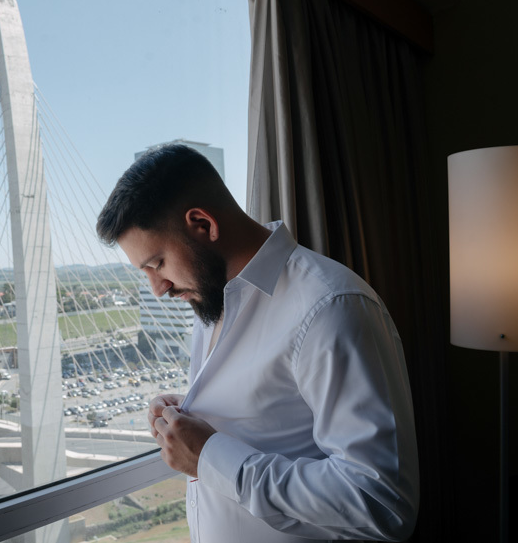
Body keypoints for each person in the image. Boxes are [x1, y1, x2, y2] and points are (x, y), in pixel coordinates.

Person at [96, 144, 419, 542]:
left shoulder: (330, 309)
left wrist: (211, 457)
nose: (158, 289)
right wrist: (191, 411)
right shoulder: (212, 297)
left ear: (202, 224)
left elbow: (381, 501)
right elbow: (274, 409)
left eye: (157, 264)